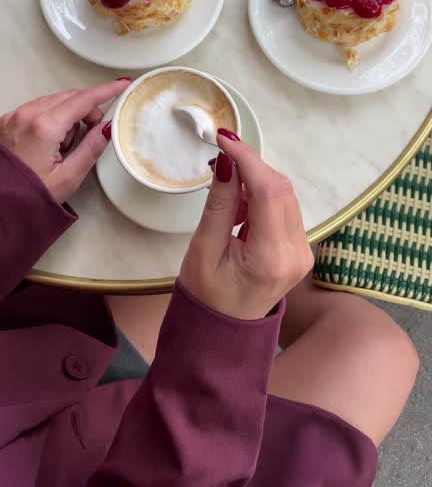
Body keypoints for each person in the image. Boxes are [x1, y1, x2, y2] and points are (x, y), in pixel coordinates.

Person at [0, 79, 419, 486]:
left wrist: (11, 201)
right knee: (379, 350)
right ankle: (284, 255)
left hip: (24, 353)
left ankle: (277, 257)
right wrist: (221, 331)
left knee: (171, 260)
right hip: (147, 455)